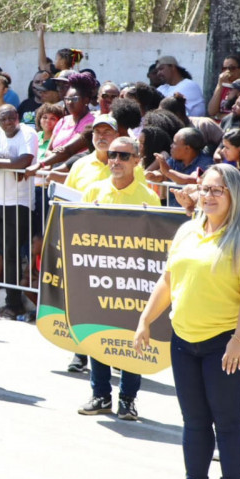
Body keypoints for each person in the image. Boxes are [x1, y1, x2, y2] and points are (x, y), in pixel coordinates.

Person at [136, 164, 240, 479]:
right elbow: (168, 280)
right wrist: (145, 321)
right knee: (194, 422)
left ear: (234, 196)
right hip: (184, 340)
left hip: (226, 344)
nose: (208, 196)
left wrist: (239, 340)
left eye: (217, 190)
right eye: (205, 188)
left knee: (227, 424)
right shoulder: (187, 231)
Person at [78, 136, 160, 420]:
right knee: (99, 335)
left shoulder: (149, 197)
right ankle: (100, 395)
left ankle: (128, 398)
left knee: (131, 339)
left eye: (124, 156)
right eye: (112, 155)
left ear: (137, 161)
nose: (116, 161)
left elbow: (155, 241)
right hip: (100, 278)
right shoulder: (93, 191)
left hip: (133, 280)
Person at [0, 104, 39, 320]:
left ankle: (13, 305)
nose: (8, 123)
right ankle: (10, 301)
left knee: (13, 254)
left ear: (18, 118)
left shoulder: (28, 133)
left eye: (11, 119)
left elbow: (25, 160)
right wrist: (7, 164)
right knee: (4, 253)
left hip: (20, 202)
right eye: (3, 119)